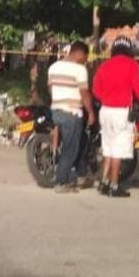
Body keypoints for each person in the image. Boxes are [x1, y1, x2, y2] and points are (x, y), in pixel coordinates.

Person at [91, 37, 139, 197]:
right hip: (121, 112)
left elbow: (96, 90)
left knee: (108, 148)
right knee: (118, 150)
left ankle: (103, 182)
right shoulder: (132, 64)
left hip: (105, 111)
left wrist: (107, 97)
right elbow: (137, 87)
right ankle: (114, 185)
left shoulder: (104, 65)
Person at [48, 41, 95, 193]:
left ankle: (68, 179)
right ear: (79, 53)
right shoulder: (79, 69)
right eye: (85, 56)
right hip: (72, 113)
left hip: (56, 110)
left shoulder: (54, 67)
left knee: (67, 147)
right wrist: (91, 112)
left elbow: (50, 87)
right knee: (70, 149)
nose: (86, 60)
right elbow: (84, 93)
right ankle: (60, 182)